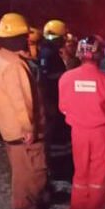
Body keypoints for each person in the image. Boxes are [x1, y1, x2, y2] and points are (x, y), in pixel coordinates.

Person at [0, 12, 48, 209]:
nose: (26, 40)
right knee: (32, 172)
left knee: (20, 171)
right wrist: (28, 128)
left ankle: (24, 208)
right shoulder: (14, 65)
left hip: (9, 130)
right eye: (23, 36)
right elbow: (22, 100)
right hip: (23, 132)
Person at [58, 35, 105, 209]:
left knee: (80, 175)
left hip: (78, 133)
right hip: (100, 133)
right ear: (100, 54)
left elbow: (63, 107)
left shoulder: (66, 78)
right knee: (99, 178)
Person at [38, 19, 71, 179]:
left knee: (60, 135)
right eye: (63, 37)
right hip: (53, 101)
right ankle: (59, 169)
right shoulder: (48, 53)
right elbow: (47, 81)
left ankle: (61, 166)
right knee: (56, 135)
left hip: (56, 101)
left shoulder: (48, 51)